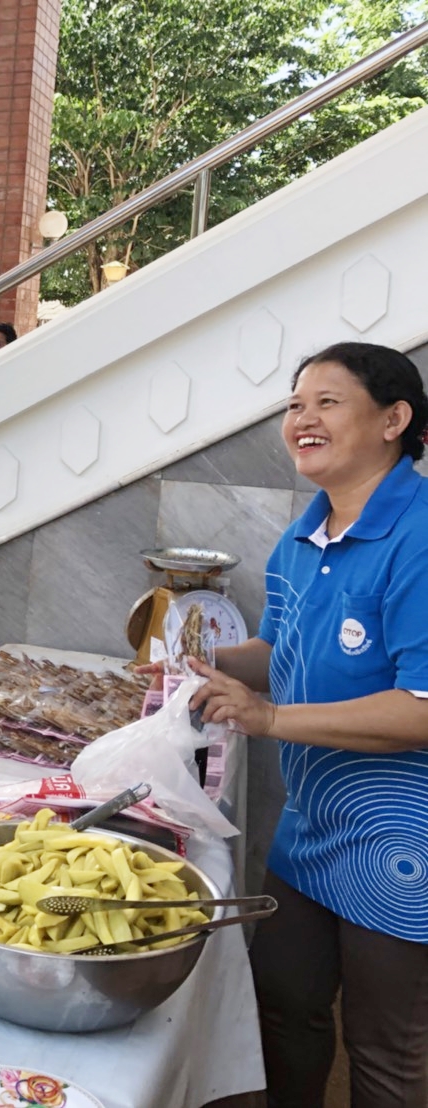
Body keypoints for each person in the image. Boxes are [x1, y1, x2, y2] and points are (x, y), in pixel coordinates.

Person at [188, 341, 428, 1107]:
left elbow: (420, 709)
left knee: (385, 1050)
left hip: (402, 841)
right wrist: (197, 663)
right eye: (295, 404)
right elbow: (280, 651)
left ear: (394, 419)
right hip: (311, 823)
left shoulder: (421, 536)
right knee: (283, 1009)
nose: (303, 419)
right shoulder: (305, 535)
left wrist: (267, 717)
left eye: (328, 402)